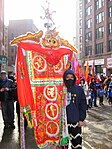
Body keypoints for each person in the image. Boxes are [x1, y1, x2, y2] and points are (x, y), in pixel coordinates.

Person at [63, 69, 87, 149]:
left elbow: (83, 105)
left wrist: (81, 119)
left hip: (75, 123)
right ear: (64, 78)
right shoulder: (60, 90)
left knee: (76, 145)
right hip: (63, 124)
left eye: (71, 77)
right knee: (63, 146)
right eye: (67, 77)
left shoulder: (79, 89)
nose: (70, 79)